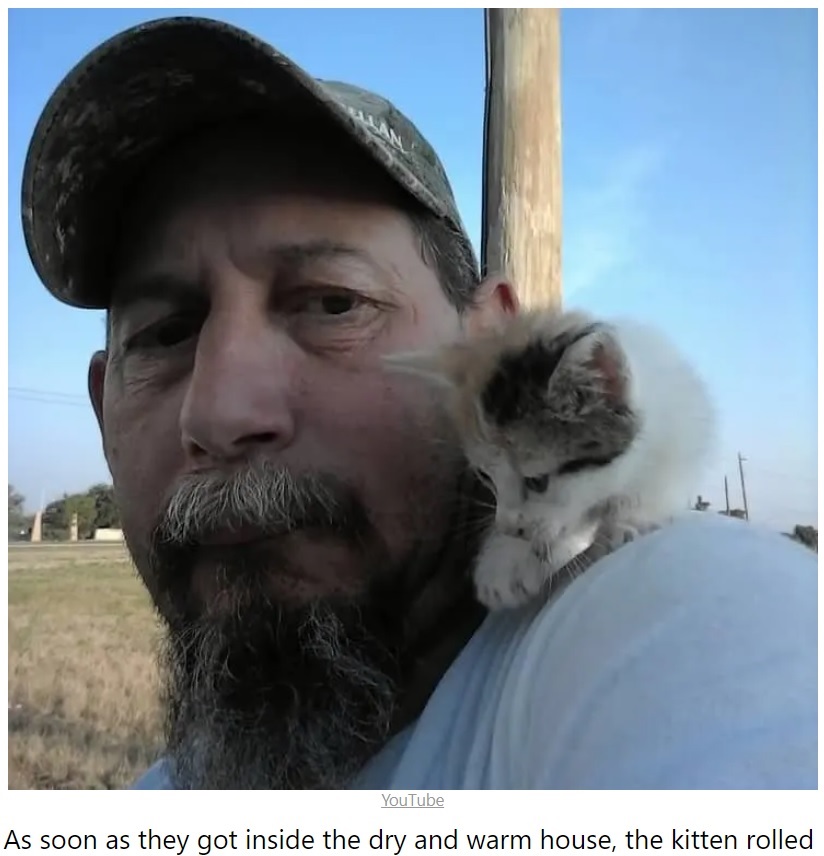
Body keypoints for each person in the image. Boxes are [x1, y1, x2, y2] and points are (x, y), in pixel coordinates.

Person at [22, 16, 817, 790]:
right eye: (164, 334)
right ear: (103, 412)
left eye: (333, 304)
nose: (222, 413)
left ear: (494, 346)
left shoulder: (673, 628)